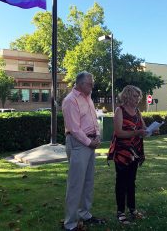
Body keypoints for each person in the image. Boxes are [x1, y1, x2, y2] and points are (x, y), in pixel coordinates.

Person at [62, 71, 104, 231]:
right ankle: (70, 223)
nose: (92, 85)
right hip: (78, 144)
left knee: (88, 181)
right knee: (75, 184)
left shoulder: (88, 98)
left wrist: (98, 136)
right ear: (79, 84)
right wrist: (89, 142)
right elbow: (73, 128)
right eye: (89, 83)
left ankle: (85, 213)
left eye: (92, 83)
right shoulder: (70, 100)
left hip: (90, 142)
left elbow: (93, 119)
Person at [107, 85, 150, 225]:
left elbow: (143, 128)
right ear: (127, 96)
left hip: (135, 152)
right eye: (135, 96)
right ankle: (120, 212)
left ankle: (132, 209)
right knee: (121, 182)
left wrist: (150, 130)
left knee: (131, 182)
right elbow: (119, 133)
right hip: (122, 152)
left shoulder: (137, 111)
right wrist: (137, 133)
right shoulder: (120, 110)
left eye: (138, 96)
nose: (137, 99)